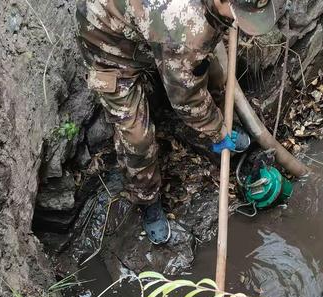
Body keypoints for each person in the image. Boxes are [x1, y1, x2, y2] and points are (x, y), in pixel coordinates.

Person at [76, 0, 277, 244]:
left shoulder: (189, 27)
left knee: (211, 73)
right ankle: (146, 199)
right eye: (238, 14)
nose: (239, 22)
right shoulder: (185, 26)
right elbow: (186, 99)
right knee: (136, 138)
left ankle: (219, 123)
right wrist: (216, 132)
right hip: (106, 38)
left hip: (151, 21)